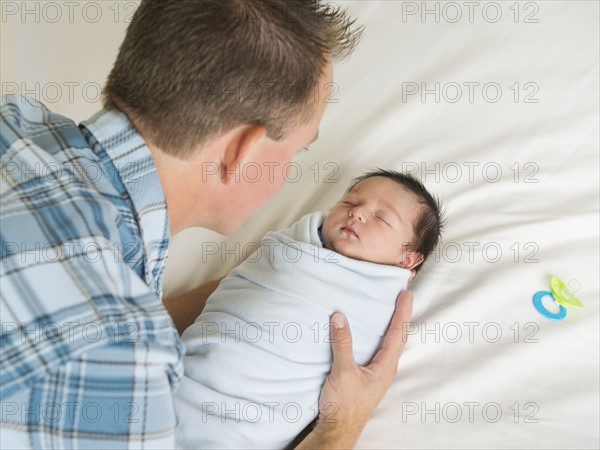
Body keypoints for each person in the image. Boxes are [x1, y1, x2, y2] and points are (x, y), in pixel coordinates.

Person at [0, 1, 413, 448]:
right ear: (243, 151)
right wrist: (342, 426)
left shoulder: (15, 120)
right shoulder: (126, 363)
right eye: (298, 151)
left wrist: (252, 288)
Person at [176, 170, 443, 449]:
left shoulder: (378, 302)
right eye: (350, 203)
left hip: (234, 430)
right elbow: (241, 287)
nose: (358, 213)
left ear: (407, 258)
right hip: (178, 378)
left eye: (381, 217)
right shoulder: (289, 247)